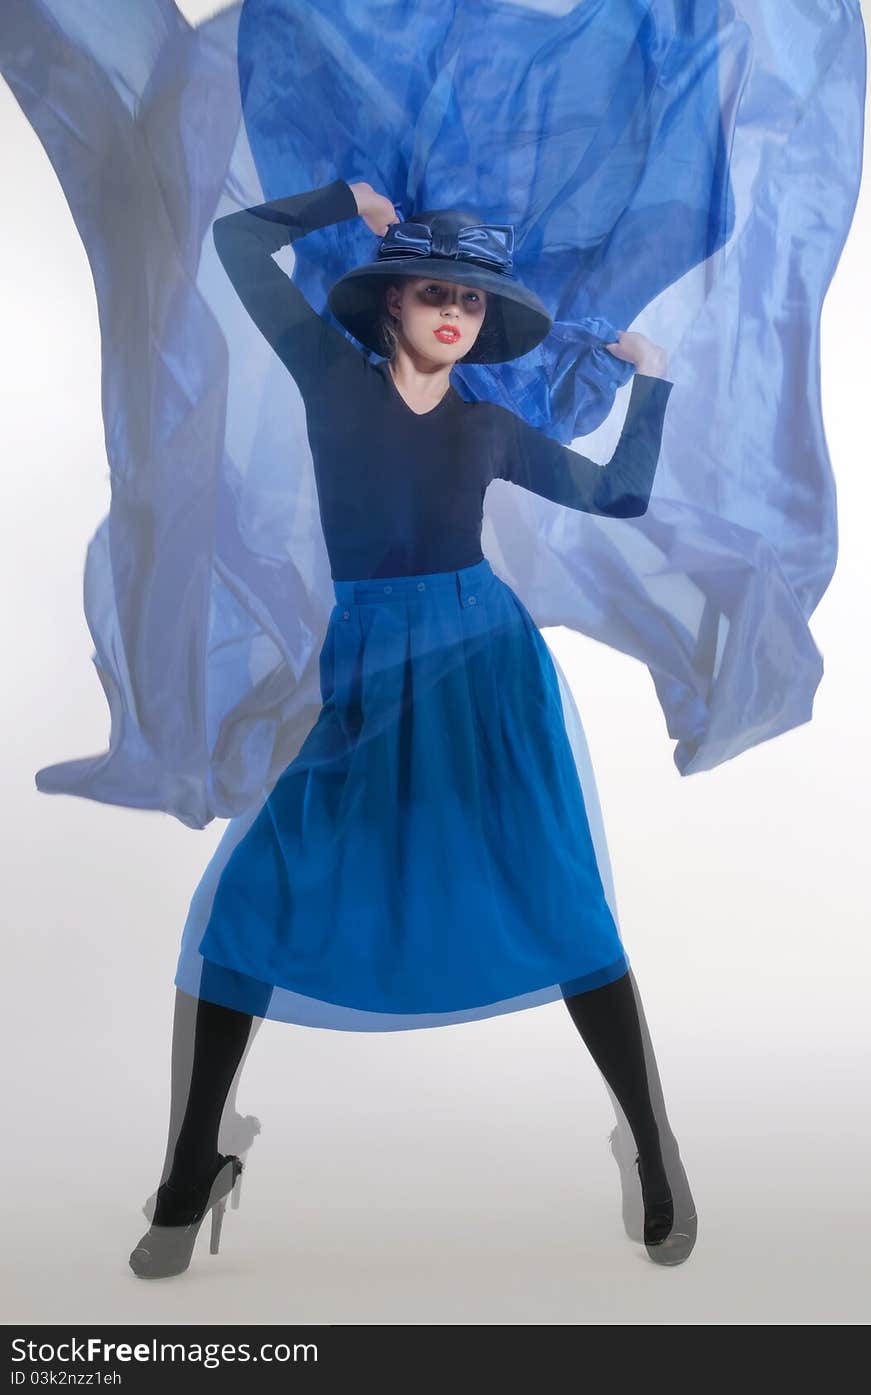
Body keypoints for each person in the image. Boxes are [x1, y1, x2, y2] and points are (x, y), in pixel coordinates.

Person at [128, 176, 697, 1280]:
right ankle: (190, 1170)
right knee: (248, 909)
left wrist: (654, 384)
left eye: (471, 302)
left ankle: (656, 1145)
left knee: (561, 900)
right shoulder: (329, 383)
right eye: (433, 292)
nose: (453, 313)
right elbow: (239, 241)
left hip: (484, 675)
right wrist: (344, 199)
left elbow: (620, 499)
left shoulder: (487, 428)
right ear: (391, 303)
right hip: (365, 680)